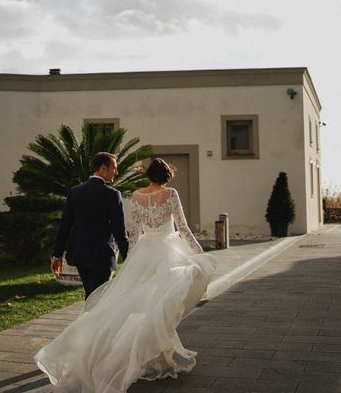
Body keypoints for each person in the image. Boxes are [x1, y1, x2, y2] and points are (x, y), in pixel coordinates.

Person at [35, 158, 216, 393]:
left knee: (138, 306)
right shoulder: (170, 194)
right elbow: (182, 227)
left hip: (145, 253)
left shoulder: (136, 196)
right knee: (163, 305)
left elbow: (132, 233)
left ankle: (154, 355)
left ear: (148, 175)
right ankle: (151, 355)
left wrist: (131, 261)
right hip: (168, 253)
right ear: (167, 176)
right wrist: (199, 253)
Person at [51, 151, 129, 299]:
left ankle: (88, 321)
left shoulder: (75, 192)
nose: (116, 172)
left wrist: (57, 255)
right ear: (103, 169)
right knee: (98, 300)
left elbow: (65, 226)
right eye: (114, 168)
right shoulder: (113, 195)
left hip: (80, 255)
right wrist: (128, 258)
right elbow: (119, 231)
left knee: (91, 297)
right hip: (102, 257)